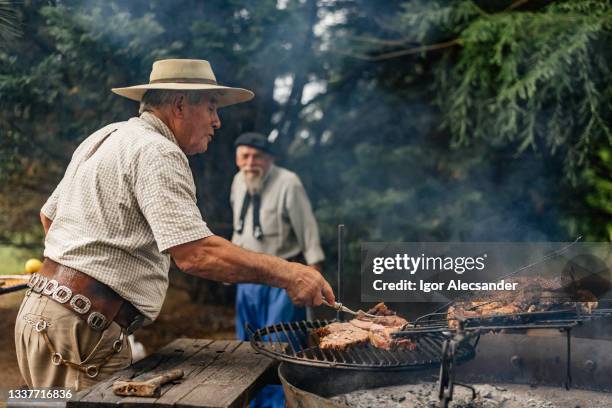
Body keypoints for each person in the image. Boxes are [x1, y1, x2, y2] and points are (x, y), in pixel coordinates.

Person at [14, 59, 334, 391]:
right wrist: (291, 273)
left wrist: (70, 283)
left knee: (40, 403)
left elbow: (48, 215)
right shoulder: (159, 151)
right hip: (80, 330)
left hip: (40, 316)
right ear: (180, 105)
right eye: (211, 108)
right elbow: (195, 254)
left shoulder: (105, 136)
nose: (217, 121)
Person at [230, 132, 325, 408]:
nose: (250, 163)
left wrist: (313, 277)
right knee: (246, 348)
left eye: (257, 156)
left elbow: (309, 234)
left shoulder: (288, 183)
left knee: (279, 349)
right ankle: (253, 403)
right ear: (237, 158)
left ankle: (279, 405)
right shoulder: (238, 181)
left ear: (270, 159)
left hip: (283, 281)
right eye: (244, 156)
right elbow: (240, 229)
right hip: (246, 280)